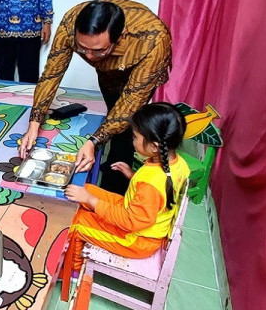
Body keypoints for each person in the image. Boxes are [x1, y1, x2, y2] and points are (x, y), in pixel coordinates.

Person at [19, 0, 172, 194]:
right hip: (109, 76)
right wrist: (34, 122)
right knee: (111, 114)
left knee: (129, 127)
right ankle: (108, 161)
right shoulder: (70, 24)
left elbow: (130, 102)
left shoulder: (153, 40)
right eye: (83, 49)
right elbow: (52, 75)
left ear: (120, 37)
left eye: (98, 50)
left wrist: (93, 141)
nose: (89, 56)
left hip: (141, 76)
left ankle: (114, 188)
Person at [64, 103, 189, 279]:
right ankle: (87, 224)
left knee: (77, 222)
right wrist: (133, 176)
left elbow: (131, 220)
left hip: (135, 239)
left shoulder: (150, 186)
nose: (132, 140)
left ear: (154, 146)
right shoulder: (177, 163)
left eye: (135, 136)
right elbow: (161, 191)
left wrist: (92, 202)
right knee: (85, 189)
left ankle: (71, 270)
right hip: (137, 217)